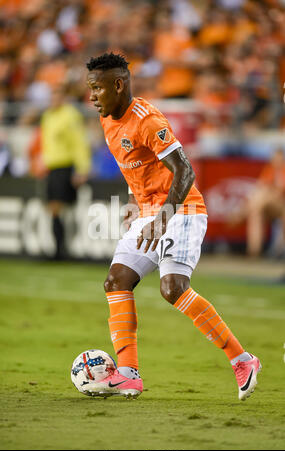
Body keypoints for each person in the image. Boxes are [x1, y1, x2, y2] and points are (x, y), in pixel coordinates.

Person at [85, 52, 261, 400]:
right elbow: (140, 170)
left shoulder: (147, 119)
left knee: (173, 288)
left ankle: (243, 360)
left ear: (118, 85)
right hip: (151, 212)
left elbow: (185, 171)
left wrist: (162, 216)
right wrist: (138, 206)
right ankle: (128, 374)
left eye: (97, 88)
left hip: (182, 209)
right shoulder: (107, 119)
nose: (91, 96)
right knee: (116, 280)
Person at [41, 86, 91, 259]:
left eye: (57, 96)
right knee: (54, 208)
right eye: (52, 96)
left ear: (63, 97)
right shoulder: (47, 116)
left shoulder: (70, 115)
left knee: (62, 208)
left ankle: (63, 250)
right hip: (52, 167)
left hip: (65, 166)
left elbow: (79, 143)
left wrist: (82, 168)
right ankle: (59, 249)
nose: (53, 100)